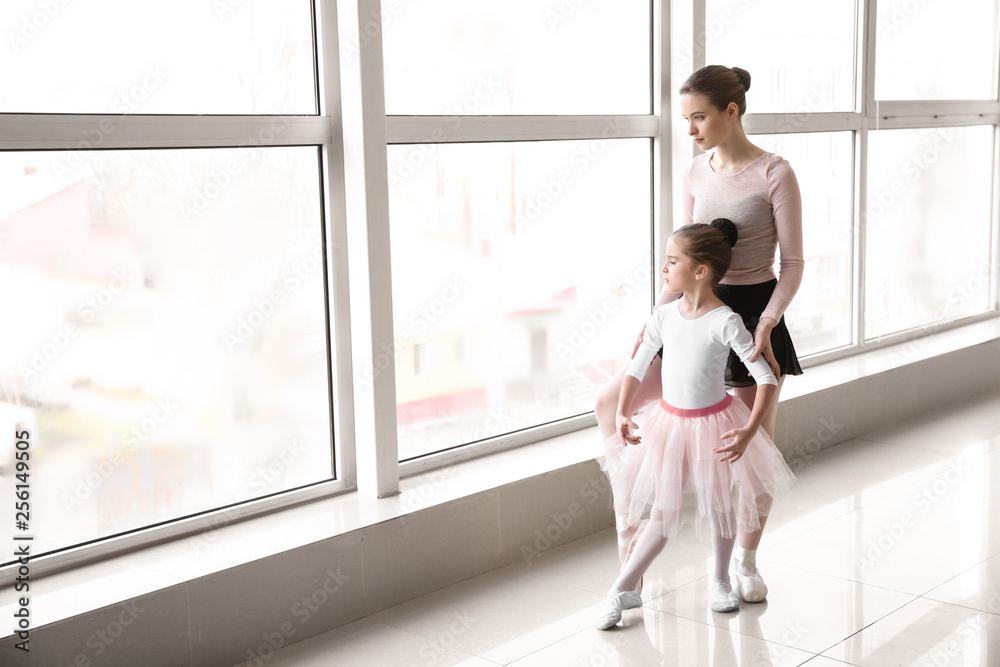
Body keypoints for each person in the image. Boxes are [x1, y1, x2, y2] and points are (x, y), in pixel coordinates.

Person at [593, 64, 803, 608]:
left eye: (698, 117)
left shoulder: (775, 172)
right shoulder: (694, 172)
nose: (690, 129)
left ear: (731, 111)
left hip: (753, 314)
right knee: (606, 402)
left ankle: (746, 562)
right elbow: (684, 251)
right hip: (689, 309)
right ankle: (631, 552)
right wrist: (654, 318)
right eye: (686, 118)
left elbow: (794, 262)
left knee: (750, 450)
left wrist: (766, 325)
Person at [595, 219, 794, 630]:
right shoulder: (664, 316)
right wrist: (621, 412)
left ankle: (721, 580)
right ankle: (623, 587)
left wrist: (749, 429)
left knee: (720, 506)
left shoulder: (726, 321)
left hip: (716, 426)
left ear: (700, 270)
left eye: (672, 262)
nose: (664, 270)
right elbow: (635, 369)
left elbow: (767, 378)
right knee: (664, 514)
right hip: (669, 425)